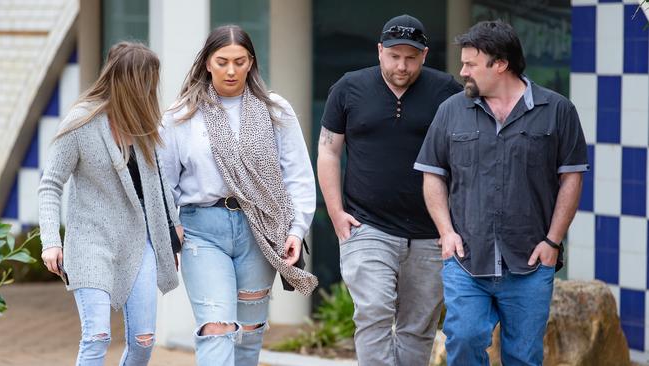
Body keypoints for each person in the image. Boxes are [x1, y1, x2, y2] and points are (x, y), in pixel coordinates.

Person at [415, 20, 589, 365]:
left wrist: (553, 241)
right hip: (466, 259)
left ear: (500, 64)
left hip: (530, 260)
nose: (462, 71)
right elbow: (433, 175)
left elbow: (571, 179)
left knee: (524, 356)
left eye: (470, 64)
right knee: (463, 340)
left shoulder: (557, 111)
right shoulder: (451, 111)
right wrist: (446, 233)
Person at [158, 25, 317, 366]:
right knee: (216, 327)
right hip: (202, 229)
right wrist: (170, 230)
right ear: (207, 64)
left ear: (251, 63)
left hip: (259, 229)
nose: (231, 70)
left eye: (239, 61)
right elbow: (165, 181)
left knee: (249, 332)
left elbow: (298, 175)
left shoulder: (275, 110)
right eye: (222, 61)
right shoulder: (181, 116)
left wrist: (296, 229)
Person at [317, 14, 462, 366]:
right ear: (379, 51)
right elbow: (328, 150)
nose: (402, 65)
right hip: (367, 226)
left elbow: (464, 158)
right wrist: (335, 213)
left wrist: (451, 227)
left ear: (424, 55)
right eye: (394, 56)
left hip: (430, 233)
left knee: (418, 327)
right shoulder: (349, 87)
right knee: (373, 313)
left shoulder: (447, 92)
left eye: (411, 58)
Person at [39, 42, 181, 366]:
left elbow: (158, 187)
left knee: (144, 342)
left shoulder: (145, 128)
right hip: (90, 241)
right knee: (97, 335)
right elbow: (50, 185)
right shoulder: (80, 122)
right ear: (125, 81)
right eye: (145, 82)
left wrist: (171, 236)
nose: (150, 90)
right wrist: (51, 241)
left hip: (138, 242)